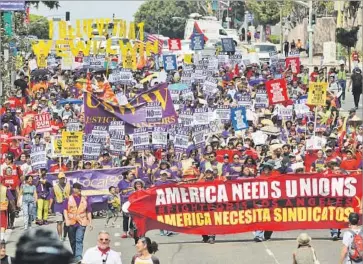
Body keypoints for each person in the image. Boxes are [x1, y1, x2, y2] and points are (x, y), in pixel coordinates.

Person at [64, 182, 93, 264]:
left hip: (82, 222)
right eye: (78, 188)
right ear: (74, 189)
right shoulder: (68, 199)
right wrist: (66, 220)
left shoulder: (85, 199)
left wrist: (90, 222)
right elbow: (65, 210)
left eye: (80, 188)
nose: (80, 190)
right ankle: (75, 255)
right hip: (71, 222)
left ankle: (79, 257)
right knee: (72, 240)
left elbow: (89, 211)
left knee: (79, 239)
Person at [50, 172, 71, 241]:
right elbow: (51, 197)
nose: (62, 179)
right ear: (58, 179)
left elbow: (72, 196)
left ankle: (65, 235)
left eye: (63, 178)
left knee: (66, 222)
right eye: (61, 178)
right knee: (59, 222)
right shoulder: (54, 187)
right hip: (58, 205)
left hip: (67, 205)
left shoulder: (68, 186)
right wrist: (50, 207)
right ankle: (60, 237)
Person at [0, 177, 15, 242]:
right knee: (3, 224)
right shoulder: (5, 189)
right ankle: (2, 238)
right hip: (2, 209)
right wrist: (13, 207)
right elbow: (11, 199)